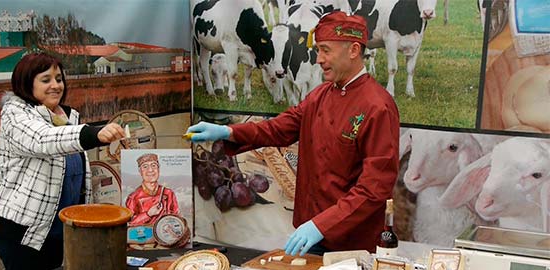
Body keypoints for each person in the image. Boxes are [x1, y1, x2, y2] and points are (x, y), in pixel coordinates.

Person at [186, 11, 400, 256]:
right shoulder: (321, 95)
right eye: (318, 50)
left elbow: (375, 188)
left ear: (353, 50)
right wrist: (228, 131)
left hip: (350, 244)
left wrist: (322, 225)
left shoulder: (378, 106)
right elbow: (278, 128)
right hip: (311, 232)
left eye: (325, 50)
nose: (318, 59)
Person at [0, 53, 126, 270]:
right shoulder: (15, 114)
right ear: (26, 83)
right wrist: (94, 133)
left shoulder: (66, 117)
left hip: (57, 231)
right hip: (23, 232)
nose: (56, 85)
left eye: (59, 78)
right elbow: (43, 140)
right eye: (45, 79)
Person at [125, 153, 180, 227]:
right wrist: (148, 214)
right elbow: (130, 222)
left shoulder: (169, 193)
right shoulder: (133, 197)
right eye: (145, 167)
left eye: (153, 165)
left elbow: (176, 217)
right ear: (140, 171)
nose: (150, 170)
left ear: (158, 169)